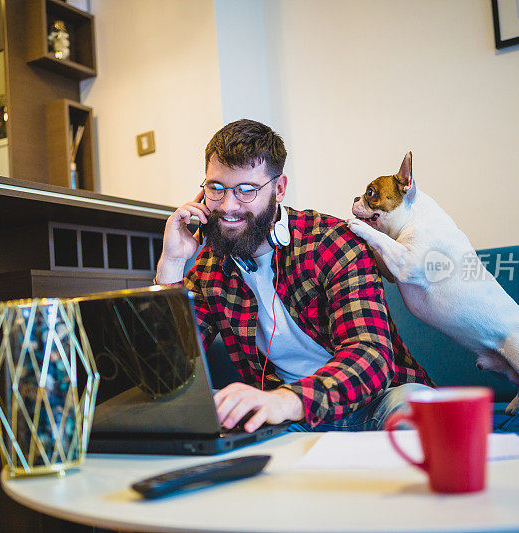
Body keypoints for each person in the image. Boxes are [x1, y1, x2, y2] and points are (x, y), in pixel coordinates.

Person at [155, 119, 433, 433]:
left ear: (280, 189)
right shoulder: (209, 268)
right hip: (281, 419)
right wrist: (171, 266)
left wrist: (288, 399)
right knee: (197, 406)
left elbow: (370, 354)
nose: (227, 206)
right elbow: (168, 375)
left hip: (366, 404)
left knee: (416, 404)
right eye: (215, 189)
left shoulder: (332, 240)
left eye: (246, 190)